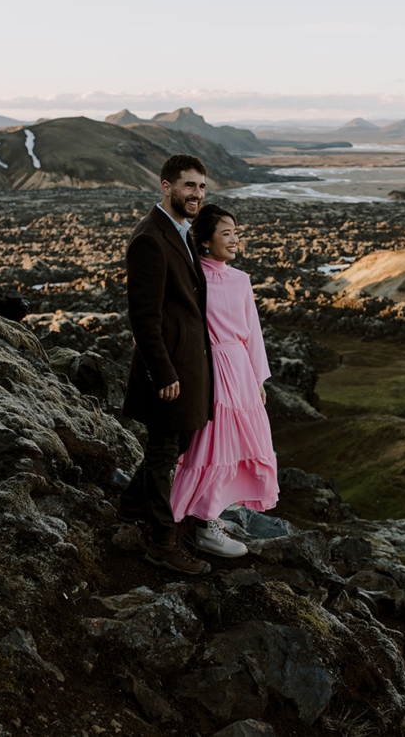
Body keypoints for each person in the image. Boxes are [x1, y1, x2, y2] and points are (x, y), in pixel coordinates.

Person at [117, 154, 215, 575]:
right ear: (166, 186)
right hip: (168, 368)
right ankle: (162, 542)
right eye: (189, 186)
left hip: (186, 362)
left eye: (202, 187)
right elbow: (144, 316)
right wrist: (163, 373)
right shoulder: (150, 239)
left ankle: (131, 505)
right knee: (162, 452)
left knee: (174, 445)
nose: (196, 194)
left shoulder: (183, 232)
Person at [170, 203, 277, 558]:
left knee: (237, 448)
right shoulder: (192, 276)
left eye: (236, 233)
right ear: (205, 241)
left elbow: (253, 334)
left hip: (241, 371)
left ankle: (209, 515)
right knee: (211, 447)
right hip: (208, 369)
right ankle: (201, 522)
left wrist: (258, 377)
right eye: (226, 233)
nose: (234, 240)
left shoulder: (241, 279)